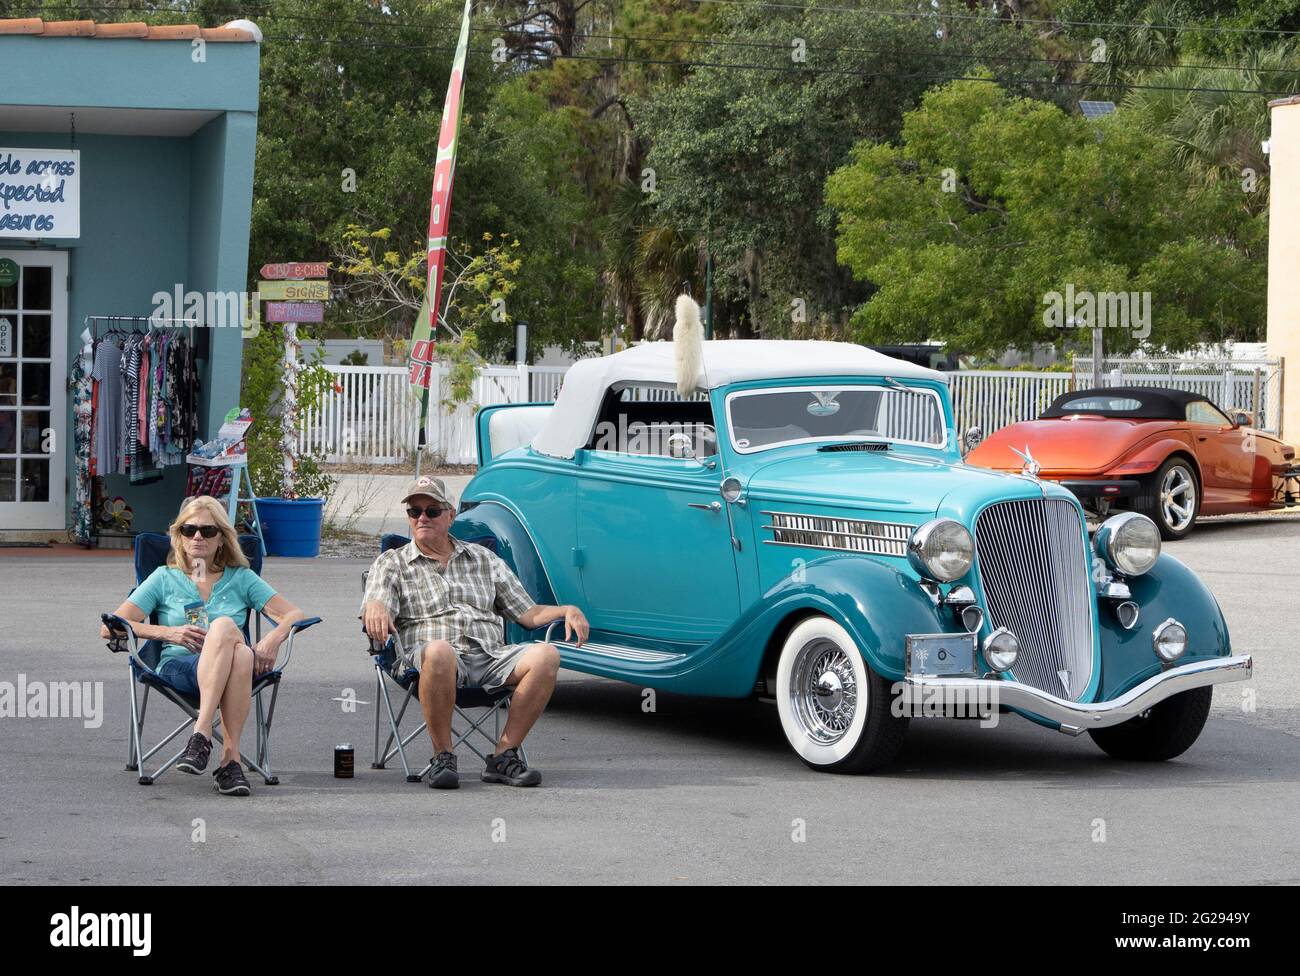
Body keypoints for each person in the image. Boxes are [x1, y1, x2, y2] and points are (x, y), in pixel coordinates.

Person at [361, 476, 588, 789]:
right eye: (415, 512)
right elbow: (377, 601)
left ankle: (503, 756)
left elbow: (528, 613)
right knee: (440, 651)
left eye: (432, 510)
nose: (422, 517)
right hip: (428, 657)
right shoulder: (392, 562)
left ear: (451, 515)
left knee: (546, 655)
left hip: (489, 655)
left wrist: (566, 610)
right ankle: (442, 756)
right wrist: (374, 607)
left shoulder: (484, 559)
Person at [102, 495, 306, 796]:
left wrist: (272, 641)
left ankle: (203, 736)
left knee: (230, 638)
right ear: (179, 538)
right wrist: (168, 633)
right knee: (235, 646)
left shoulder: (241, 578)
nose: (198, 536)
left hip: (239, 665)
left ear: (222, 539)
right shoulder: (164, 578)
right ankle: (229, 761)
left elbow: (295, 615)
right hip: (180, 666)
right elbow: (110, 627)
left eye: (208, 531)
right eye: (189, 530)